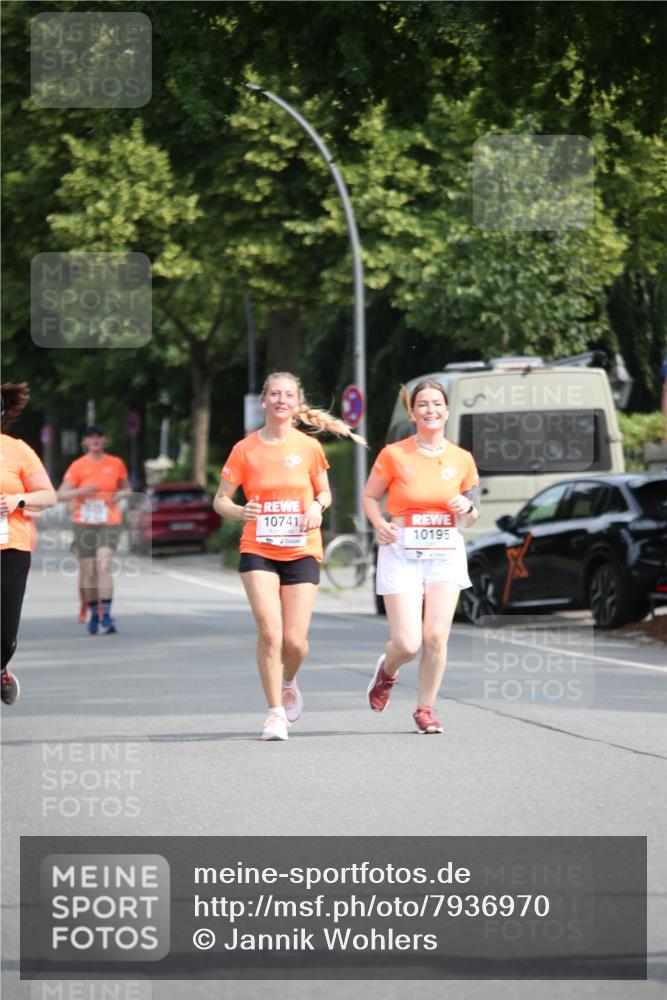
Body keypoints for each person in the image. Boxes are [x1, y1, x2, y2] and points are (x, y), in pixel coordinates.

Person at [214, 371, 365, 741]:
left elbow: (326, 493)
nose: (281, 400)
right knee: (270, 631)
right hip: (259, 548)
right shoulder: (244, 449)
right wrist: (239, 512)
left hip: (301, 548)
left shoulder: (309, 448)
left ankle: (289, 680)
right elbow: (220, 500)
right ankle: (275, 714)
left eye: (288, 395)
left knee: (295, 643)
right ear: (264, 400)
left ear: (297, 405)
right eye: (275, 394)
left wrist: (316, 505)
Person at [363, 379, 480, 734]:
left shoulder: (462, 458)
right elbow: (370, 497)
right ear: (412, 414)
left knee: (435, 637)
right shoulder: (394, 454)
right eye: (423, 405)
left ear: (447, 411)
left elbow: (473, 511)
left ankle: (425, 710)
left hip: (444, 552)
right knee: (408, 642)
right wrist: (379, 522)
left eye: (437, 404)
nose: (431, 410)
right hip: (402, 550)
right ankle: (388, 670)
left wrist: (467, 506)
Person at [1, 383, 57, 705]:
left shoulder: (16, 449)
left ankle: (1, 669)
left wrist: (17, 499)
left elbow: (48, 495)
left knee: (5, 634)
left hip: (10, 548)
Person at [58, 426, 131, 635]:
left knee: (103, 564)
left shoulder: (116, 463)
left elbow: (126, 487)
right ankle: (93, 613)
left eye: (99, 436)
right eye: (91, 437)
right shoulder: (78, 465)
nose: (95, 440)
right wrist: (81, 490)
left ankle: (106, 615)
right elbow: (60, 495)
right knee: (89, 571)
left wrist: (121, 495)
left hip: (109, 520)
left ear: (105, 441)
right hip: (84, 521)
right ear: (85, 442)